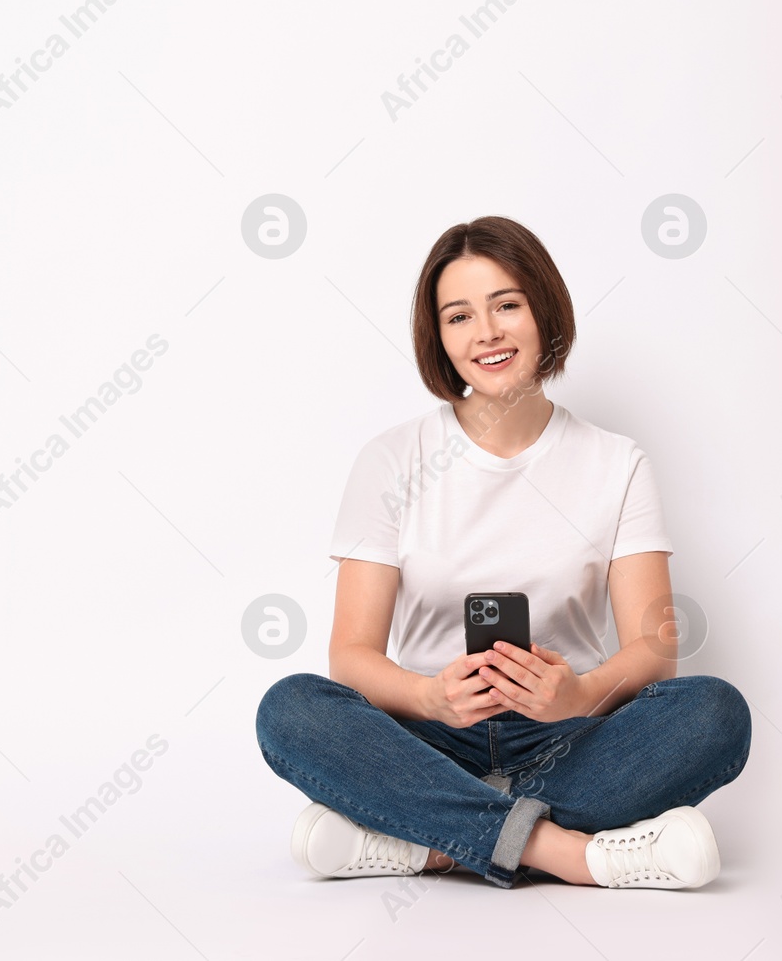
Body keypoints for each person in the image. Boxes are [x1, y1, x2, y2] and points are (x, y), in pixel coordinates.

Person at [254, 216, 751, 889]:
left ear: (543, 311)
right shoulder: (392, 459)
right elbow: (351, 657)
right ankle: (569, 853)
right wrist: (430, 698)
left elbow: (651, 648)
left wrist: (575, 692)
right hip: (428, 741)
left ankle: (426, 843)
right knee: (291, 708)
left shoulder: (615, 462)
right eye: (459, 316)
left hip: (567, 738)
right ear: (441, 339)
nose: (485, 332)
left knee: (715, 712)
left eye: (506, 305)